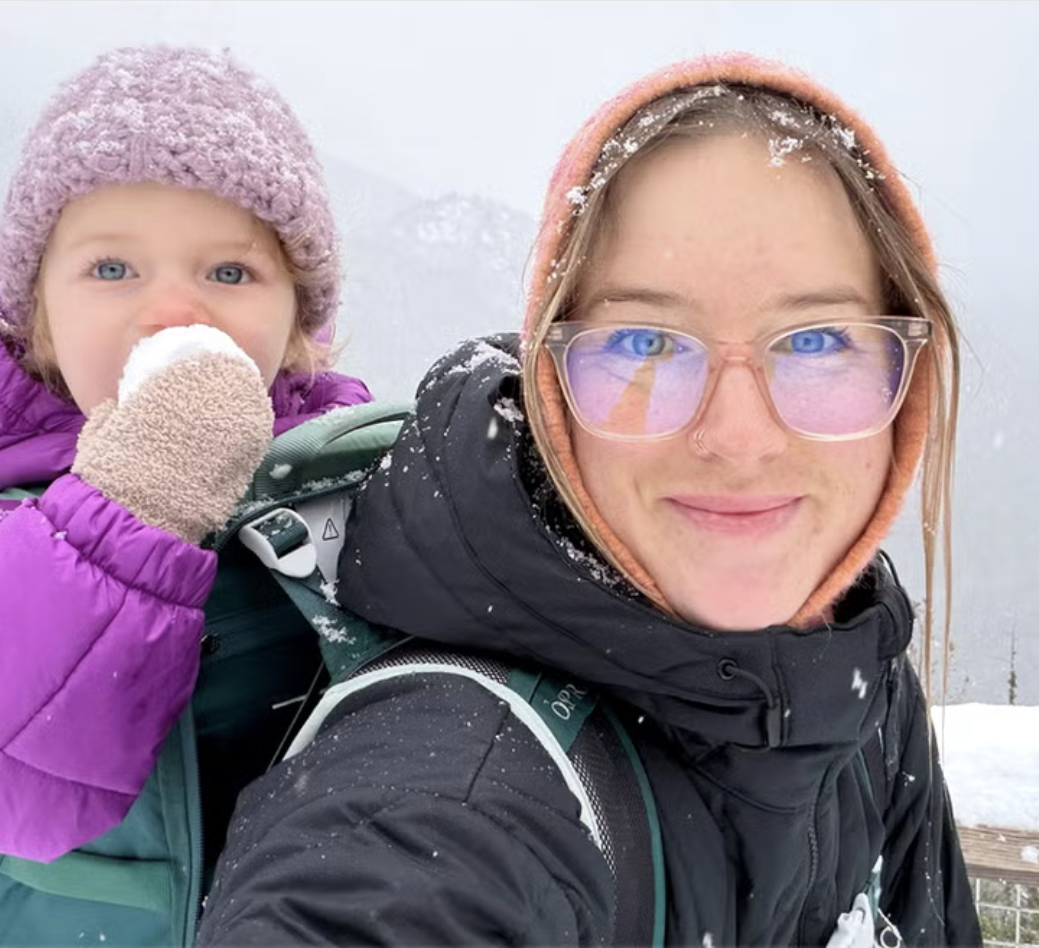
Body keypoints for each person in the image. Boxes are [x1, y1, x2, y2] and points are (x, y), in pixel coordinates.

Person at [195, 53, 982, 947]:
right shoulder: (450, 792)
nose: (739, 435)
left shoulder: (856, 667)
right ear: (551, 391)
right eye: (645, 341)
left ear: (903, 380)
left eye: (818, 341)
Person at [0, 44, 371, 940]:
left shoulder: (349, 500)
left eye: (230, 272)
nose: (173, 310)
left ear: (297, 328)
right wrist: (135, 499)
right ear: (38, 320)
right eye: (112, 269)